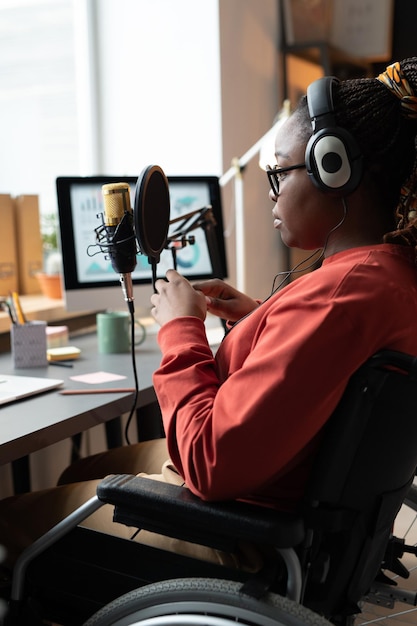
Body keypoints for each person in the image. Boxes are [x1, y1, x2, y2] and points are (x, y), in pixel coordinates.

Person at [2, 58, 417, 571]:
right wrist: (264, 319)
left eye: (278, 173)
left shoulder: (341, 296)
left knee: (8, 521)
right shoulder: (386, 274)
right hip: (288, 502)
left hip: (240, 531)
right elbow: (324, 365)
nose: (270, 192)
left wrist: (180, 328)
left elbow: (208, 459)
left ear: (334, 169)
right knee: (85, 469)